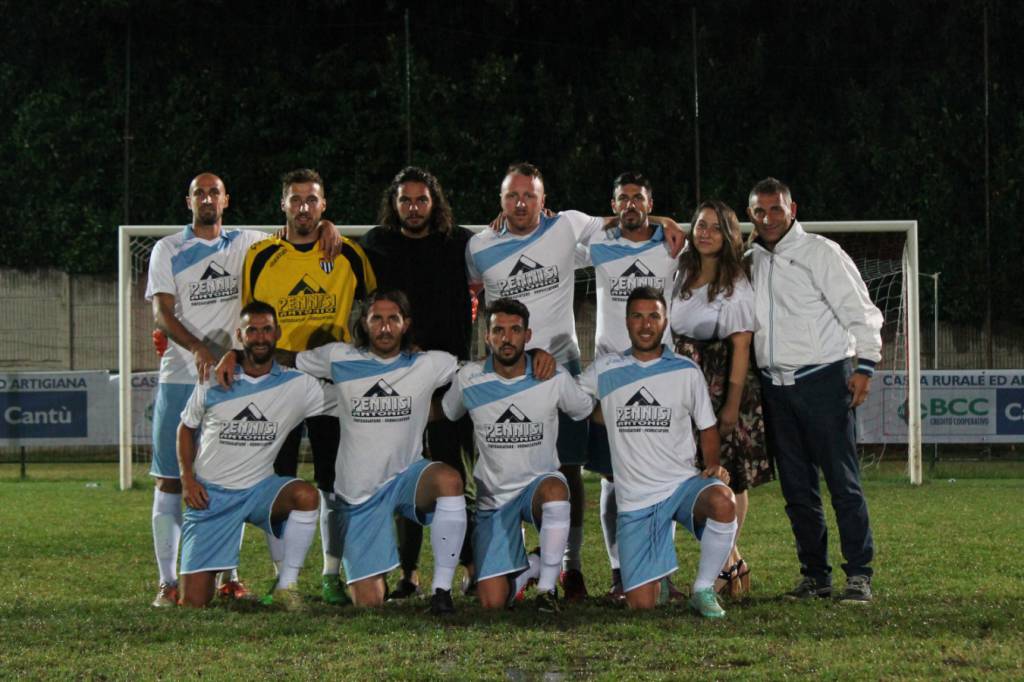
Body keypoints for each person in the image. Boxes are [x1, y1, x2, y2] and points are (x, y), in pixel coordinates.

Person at [466, 162, 685, 600]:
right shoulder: (478, 246)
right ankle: (501, 566)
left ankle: (571, 567)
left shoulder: (567, 226)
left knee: (567, 470)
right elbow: (471, 297)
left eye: (530, 195)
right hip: (503, 376)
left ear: (545, 200)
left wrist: (663, 220)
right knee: (496, 469)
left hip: (559, 369)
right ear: (501, 201)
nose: (521, 203)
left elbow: (622, 219)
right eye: (512, 196)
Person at [241, 168, 377, 605]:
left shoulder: (348, 254)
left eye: (312, 200)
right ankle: (284, 580)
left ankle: (330, 575)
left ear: (324, 205)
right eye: (296, 200)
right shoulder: (261, 256)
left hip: (329, 388)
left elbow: (376, 309)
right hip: (276, 388)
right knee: (276, 483)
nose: (304, 207)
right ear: (283, 205)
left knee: (334, 483)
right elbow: (249, 321)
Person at [747, 177, 883, 604]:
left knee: (843, 483)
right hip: (775, 388)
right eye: (759, 211)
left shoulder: (820, 252)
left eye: (775, 209)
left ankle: (859, 574)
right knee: (797, 491)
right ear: (750, 215)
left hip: (823, 380)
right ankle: (815, 577)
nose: (768, 218)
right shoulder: (750, 260)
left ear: (793, 209)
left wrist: (865, 364)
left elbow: (860, 310)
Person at [290, 289, 467, 614]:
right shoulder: (338, 358)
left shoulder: (428, 363)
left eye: (392, 319)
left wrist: (532, 359)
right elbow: (289, 360)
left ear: (405, 324)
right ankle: (367, 571)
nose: (385, 328)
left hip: (407, 478)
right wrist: (235, 356)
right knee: (369, 602)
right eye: (377, 319)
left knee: (449, 480)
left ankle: (442, 590)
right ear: (364, 323)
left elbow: (477, 372)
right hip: (359, 496)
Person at [144, 173, 268, 607]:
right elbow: (162, 312)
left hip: (229, 381)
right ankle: (167, 581)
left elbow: (295, 235)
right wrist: (198, 346)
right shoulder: (168, 249)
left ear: (226, 200)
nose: (207, 198)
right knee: (171, 481)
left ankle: (229, 577)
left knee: (224, 480)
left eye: (214, 191)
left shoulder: (248, 242)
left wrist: (326, 228)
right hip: (180, 376)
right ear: (189, 201)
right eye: (200, 192)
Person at [578, 287, 737, 616]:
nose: (645, 324)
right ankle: (657, 579)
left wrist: (713, 466)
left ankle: (703, 589)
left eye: (654, 316)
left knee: (723, 500)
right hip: (636, 501)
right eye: (637, 316)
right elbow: (570, 398)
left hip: (681, 486)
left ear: (665, 323)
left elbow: (707, 427)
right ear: (627, 322)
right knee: (642, 605)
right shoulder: (607, 370)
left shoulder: (685, 371)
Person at [361, 167, 476, 599]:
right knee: (401, 472)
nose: (413, 208)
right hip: (398, 377)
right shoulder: (376, 244)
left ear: (435, 202)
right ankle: (407, 574)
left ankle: (470, 566)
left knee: (453, 474)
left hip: (449, 377)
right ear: (394, 203)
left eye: (421, 200)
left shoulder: (460, 242)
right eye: (405, 200)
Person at [441, 298, 594, 612]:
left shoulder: (550, 375)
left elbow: (582, 408)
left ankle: (548, 591)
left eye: (515, 330)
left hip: (537, 488)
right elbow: (448, 412)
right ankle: (533, 567)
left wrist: (558, 367)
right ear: (487, 337)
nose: (506, 338)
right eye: (498, 330)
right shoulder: (470, 378)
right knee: (492, 601)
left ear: (528, 335)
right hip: (493, 500)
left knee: (556, 487)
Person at [177, 301, 329, 609]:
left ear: (277, 333)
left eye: (267, 330)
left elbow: (344, 398)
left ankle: (287, 586)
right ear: (240, 335)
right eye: (252, 330)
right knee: (193, 602)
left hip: (260, 490)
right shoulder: (213, 379)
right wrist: (187, 478)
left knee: (305, 495)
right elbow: (185, 428)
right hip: (212, 496)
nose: (260, 337)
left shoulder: (299, 385)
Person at [576, 172, 679, 602]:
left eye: (639, 198)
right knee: (612, 482)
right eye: (623, 199)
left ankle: (662, 573)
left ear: (651, 202)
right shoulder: (598, 246)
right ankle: (620, 573)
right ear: (613, 204)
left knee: (662, 479)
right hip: (609, 377)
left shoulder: (673, 245)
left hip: (661, 375)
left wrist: (670, 223)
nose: (631, 205)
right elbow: (555, 237)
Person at [671, 199, 772, 598]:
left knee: (728, 473)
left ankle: (724, 562)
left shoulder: (735, 282)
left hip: (723, 386)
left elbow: (741, 348)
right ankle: (731, 563)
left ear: (729, 234)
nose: (705, 232)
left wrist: (730, 406)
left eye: (715, 226)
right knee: (694, 473)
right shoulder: (681, 271)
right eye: (700, 225)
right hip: (686, 387)